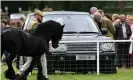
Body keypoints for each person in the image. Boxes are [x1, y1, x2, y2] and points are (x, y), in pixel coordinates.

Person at [16, 10, 49, 80]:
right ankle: (19, 73)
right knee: (31, 61)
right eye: (41, 17)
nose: (42, 18)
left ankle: (45, 76)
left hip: (35, 45)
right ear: (37, 16)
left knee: (42, 60)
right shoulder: (34, 23)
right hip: (35, 46)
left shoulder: (34, 23)